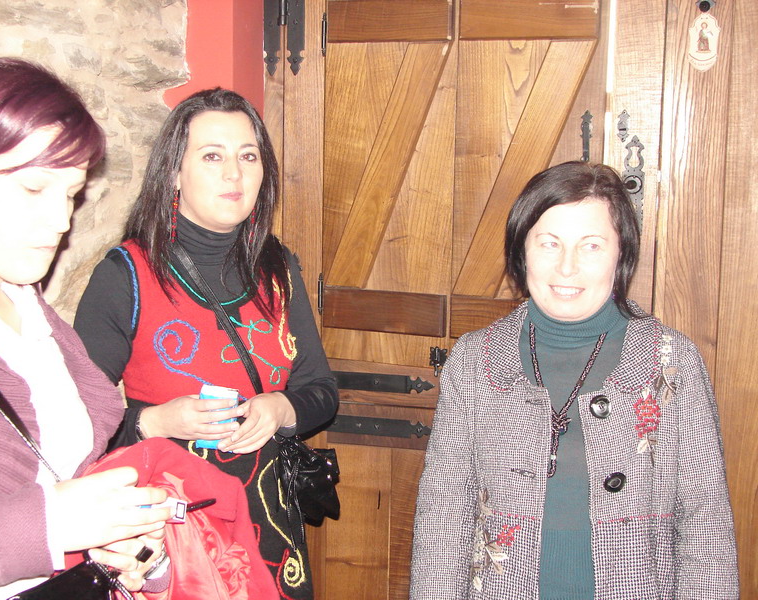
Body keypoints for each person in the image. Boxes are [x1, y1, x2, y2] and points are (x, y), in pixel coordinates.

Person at [409, 161, 738, 599]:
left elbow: (705, 523)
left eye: (591, 246)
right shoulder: (473, 362)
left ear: (621, 254)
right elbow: (443, 515)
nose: (567, 267)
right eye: (549, 243)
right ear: (521, 250)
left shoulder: (671, 361)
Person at [74, 87, 339, 600]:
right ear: (174, 172)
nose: (234, 174)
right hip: (173, 533)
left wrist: (280, 408)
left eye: (248, 156)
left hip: (270, 521)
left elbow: (321, 390)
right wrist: (154, 422)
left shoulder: (278, 267)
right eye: (212, 156)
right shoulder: (126, 274)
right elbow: (75, 422)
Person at [0, 58, 173, 599]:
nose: (60, 222)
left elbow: (60, 480)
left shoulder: (32, 311)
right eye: (34, 188)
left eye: (72, 195)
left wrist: (118, 546)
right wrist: (51, 525)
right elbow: (44, 518)